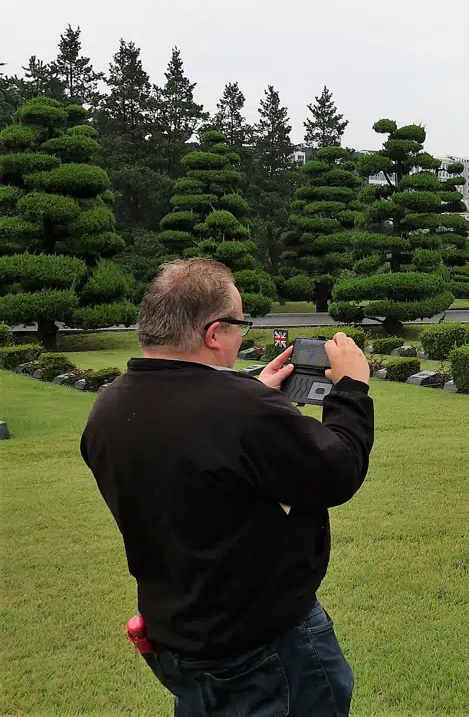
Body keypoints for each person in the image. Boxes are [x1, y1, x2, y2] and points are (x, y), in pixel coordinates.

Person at [81, 258, 374, 716]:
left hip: (180, 635)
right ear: (215, 333)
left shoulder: (111, 404)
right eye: (240, 324)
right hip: (262, 647)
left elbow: (197, 451)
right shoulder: (239, 411)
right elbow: (336, 471)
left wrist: (252, 391)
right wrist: (352, 388)